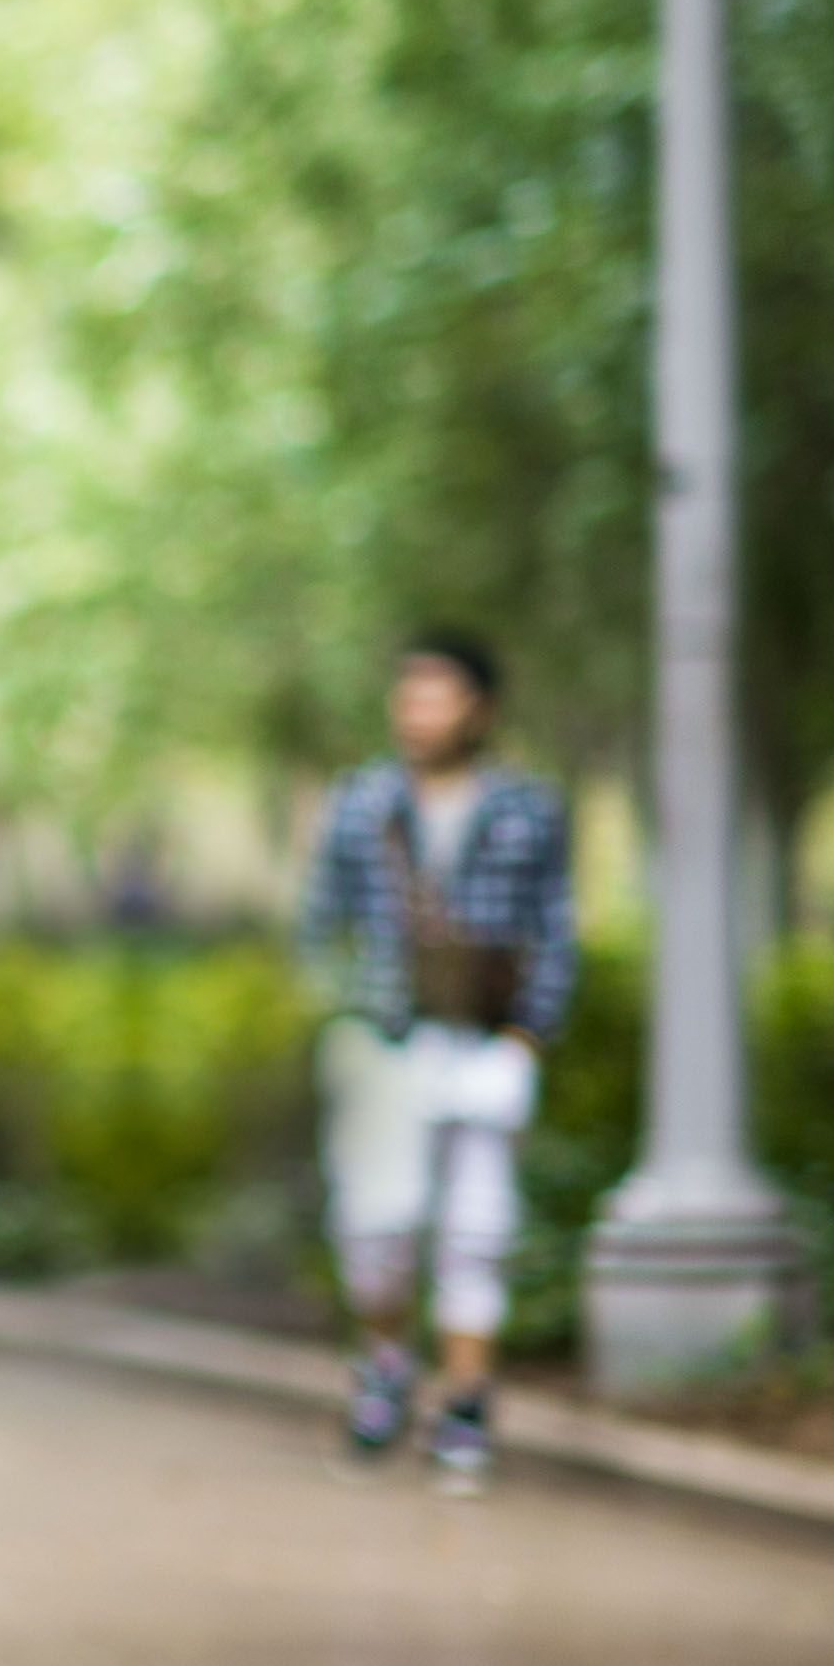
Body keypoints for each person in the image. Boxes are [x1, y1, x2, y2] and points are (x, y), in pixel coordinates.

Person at [296, 628, 576, 1493]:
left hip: (482, 1043)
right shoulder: (362, 803)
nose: (418, 710)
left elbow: (557, 929)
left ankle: (465, 1399)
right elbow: (318, 924)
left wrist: (529, 1032)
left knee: (476, 1229)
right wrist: (346, 1008)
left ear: (479, 708)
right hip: (386, 1039)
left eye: (438, 693)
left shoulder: (527, 807)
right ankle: (383, 1366)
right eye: (408, 693)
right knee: (377, 1228)